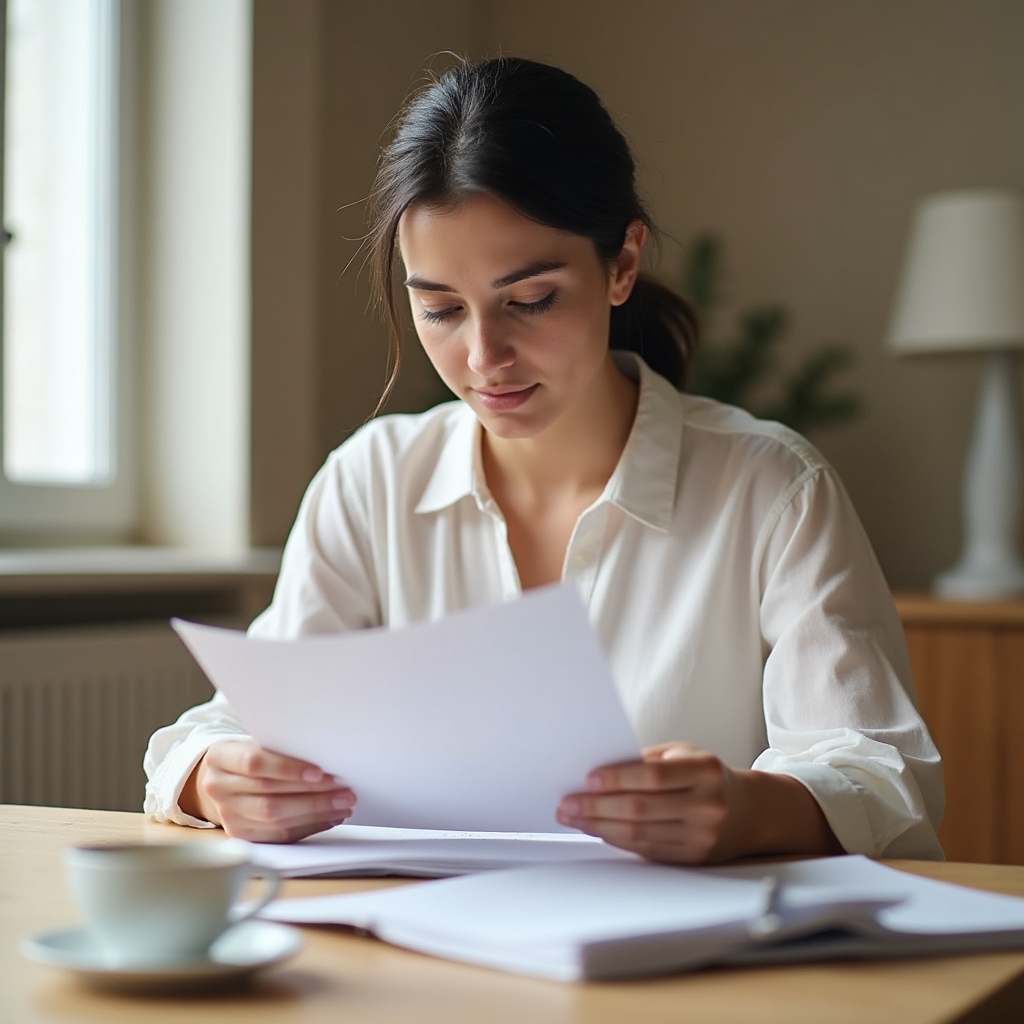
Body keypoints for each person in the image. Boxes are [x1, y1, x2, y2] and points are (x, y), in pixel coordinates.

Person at [144, 57, 943, 863]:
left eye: (530, 301)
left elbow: (880, 771)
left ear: (622, 264)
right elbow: (232, 725)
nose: (484, 356)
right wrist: (218, 778)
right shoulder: (371, 481)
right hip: (415, 955)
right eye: (441, 309)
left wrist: (744, 808)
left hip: (672, 967)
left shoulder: (770, 489)